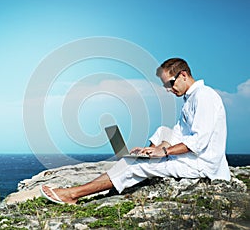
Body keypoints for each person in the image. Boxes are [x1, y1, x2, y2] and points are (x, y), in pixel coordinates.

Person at [40, 58, 231, 205]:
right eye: (165, 85)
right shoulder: (190, 99)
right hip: (195, 158)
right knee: (162, 131)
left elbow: (199, 142)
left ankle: (73, 194)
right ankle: (145, 161)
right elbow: (177, 134)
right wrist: (153, 150)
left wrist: (164, 152)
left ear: (183, 75)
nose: (168, 89)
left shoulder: (204, 97)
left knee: (134, 166)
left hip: (202, 164)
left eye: (169, 83)